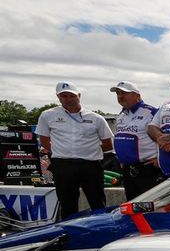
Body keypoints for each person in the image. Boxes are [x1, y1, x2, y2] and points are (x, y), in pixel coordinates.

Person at [35, 82, 113, 219]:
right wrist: (62, 151)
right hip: (63, 164)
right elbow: (44, 140)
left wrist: (88, 151)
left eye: (71, 95)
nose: (68, 99)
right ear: (58, 97)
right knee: (67, 204)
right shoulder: (47, 115)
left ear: (79, 96)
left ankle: (101, 230)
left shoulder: (95, 118)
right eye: (63, 96)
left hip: (90, 165)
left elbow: (108, 143)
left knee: (97, 202)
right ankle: (69, 234)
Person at [109, 81, 162, 199]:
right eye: (118, 93)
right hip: (128, 170)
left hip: (148, 169)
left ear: (137, 96)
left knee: (149, 206)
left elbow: (166, 136)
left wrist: (160, 158)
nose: (120, 96)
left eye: (124, 93)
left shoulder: (152, 112)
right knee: (132, 206)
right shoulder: (121, 116)